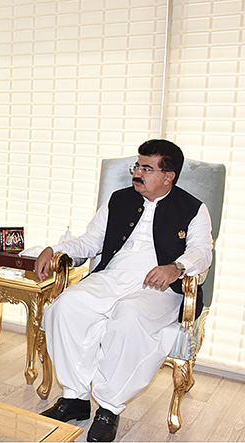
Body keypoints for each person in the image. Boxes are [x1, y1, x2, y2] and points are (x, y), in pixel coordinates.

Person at [33, 140, 213, 442]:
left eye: (146, 168)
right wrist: (56, 249)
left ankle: (108, 408)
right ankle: (75, 398)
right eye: (137, 166)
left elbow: (202, 252)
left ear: (168, 175)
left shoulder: (194, 209)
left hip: (159, 286)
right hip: (113, 276)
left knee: (128, 317)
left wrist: (176, 268)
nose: (137, 173)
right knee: (65, 307)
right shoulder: (119, 199)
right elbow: (91, 242)